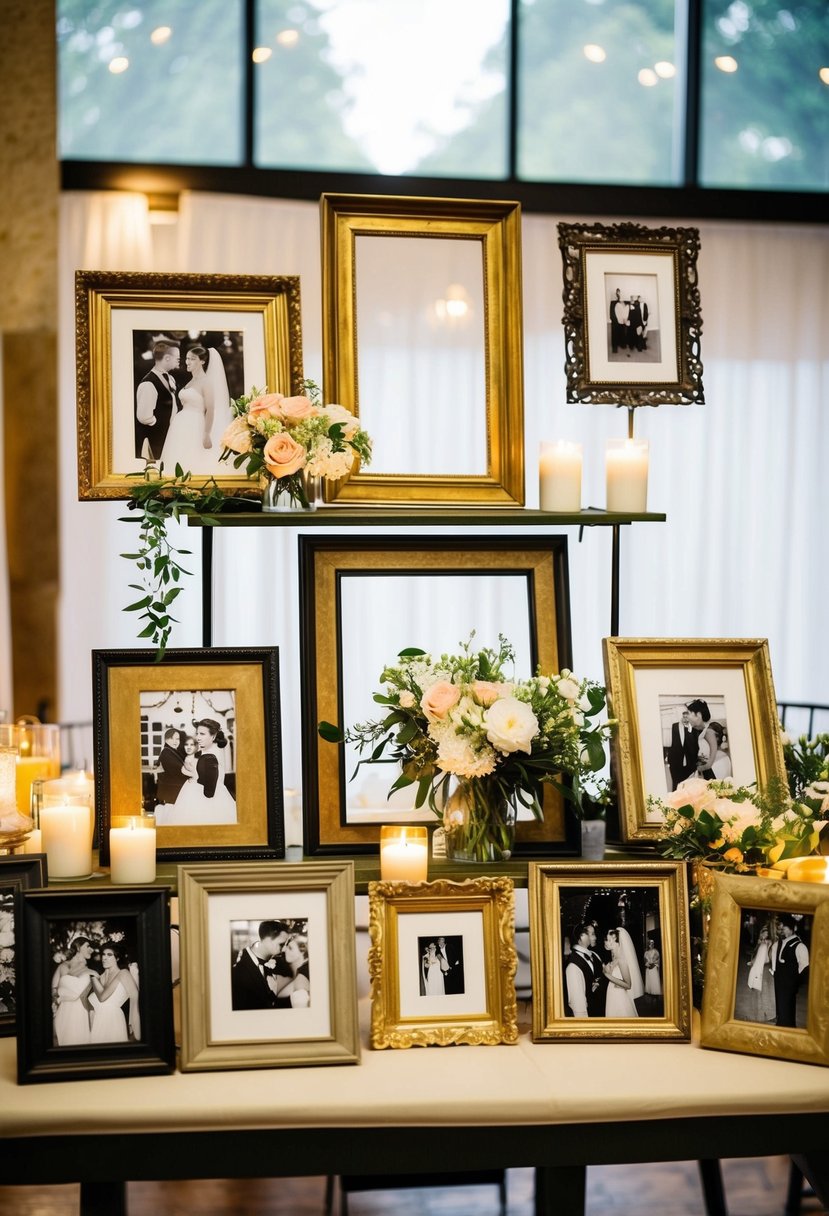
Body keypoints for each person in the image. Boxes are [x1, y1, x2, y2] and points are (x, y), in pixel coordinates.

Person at [158, 346, 232, 475]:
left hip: (194, 424)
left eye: (192, 359)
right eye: (187, 358)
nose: (187, 362)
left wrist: (207, 434)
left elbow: (210, 409)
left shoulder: (206, 382)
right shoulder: (191, 381)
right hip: (181, 425)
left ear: (202, 362)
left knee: (192, 458)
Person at [136, 340, 181, 460]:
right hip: (156, 438)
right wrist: (158, 424)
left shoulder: (170, 378)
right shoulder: (148, 383)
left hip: (168, 435)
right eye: (177, 358)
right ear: (167, 358)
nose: (179, 361)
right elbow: (144, 417)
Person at [230, 920, 290, 1011]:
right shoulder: (237, 972)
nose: (285, 949)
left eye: (286, 944)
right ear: (267, 939)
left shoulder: (281, 964)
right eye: (281, 944)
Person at [89, 942, 140, 1043]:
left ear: (117, 958)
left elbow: (135, 1002)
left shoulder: (124, 974)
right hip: (97, 1020)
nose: (104, 958)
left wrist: (134, 1026)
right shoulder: (102, 976)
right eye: (103, 954)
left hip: (113, 1019)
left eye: (109, 955)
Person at [51, 936, 96, 1046]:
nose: (92, 950)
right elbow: (53, 990)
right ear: (78, 947)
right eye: (88, 946)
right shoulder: (62, 966)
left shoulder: (91, 971)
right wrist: (57, 998)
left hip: (83, 1012)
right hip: (64, 1011)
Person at [193, 719, 237, 824]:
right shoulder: (212, 750)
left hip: (210, 799)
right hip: (216, 794)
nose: (198, 737)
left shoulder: (210, 757)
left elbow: (209, 792)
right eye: (197, 733)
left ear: (213, 736)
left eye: (202, 734)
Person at [771, 915, 809, 1028]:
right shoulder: (780, 943)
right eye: (781, 927)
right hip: (779, 982)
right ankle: (781, 1024)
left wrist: (794, 983)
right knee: (781, 1008)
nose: (782, 929)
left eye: (785, 927)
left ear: (793, 929)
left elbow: (805, 968)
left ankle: (788, 1029)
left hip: (789, 985)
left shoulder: (800, 946)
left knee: (787, 1011)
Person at [565, 922, 603, 1017]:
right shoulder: (573, 965)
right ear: (582, 936)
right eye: (592, 934)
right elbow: (577, 1003)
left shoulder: (595, 955)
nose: (594, 937)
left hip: (599, 1010)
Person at [603, 928, 641, 1018]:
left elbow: (628, 985)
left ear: (616, 942)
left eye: (608, 940)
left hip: (619, 997)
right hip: (612, 993)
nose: (606, 942)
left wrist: (608, 975)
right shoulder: (614, 958)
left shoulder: (622, 959)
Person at [747, 923, 776, 1023]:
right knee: (761, 994)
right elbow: (757, 957)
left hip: (762, 970)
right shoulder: (761, 944)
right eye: (764, 934)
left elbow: (765, 959)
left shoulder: (766, 944)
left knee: (763, 993)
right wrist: (752, 962)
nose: (765, 936)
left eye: (766, 934)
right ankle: (766, 1015)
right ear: (761, 934)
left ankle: (767, 1016)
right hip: (760, 969)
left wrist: (767, 944)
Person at [273, 933, 310, 1008]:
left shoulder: (301, 979)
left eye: (290, 948)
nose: (283, 950)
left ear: (303, 952)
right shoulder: (289, 971)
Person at [666, 708, 699, 790]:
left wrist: (689, 730)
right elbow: (671, 742)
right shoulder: (674, 726)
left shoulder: (694, 730)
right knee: (676, 783)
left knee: (687, 785)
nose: (685, 718)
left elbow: (695, 747)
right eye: (684, 716)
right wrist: (668, 757)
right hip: (675, 760)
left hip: (689, 761)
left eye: (687, 716)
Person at [686, 700, 719, 780]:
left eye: (689, 713)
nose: (687, 716)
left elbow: (710, 762)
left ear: (698, 715)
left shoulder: (708, 732)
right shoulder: (693, 730)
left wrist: (698, 770)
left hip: (706, 773)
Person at [154, 728, 186, 806]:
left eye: (177, 739)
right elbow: (179, 770)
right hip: (171, 792)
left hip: (173, 791)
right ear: (166, 740)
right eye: (172, 738)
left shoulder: (172, 751)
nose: (175, 741)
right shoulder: (166, 752)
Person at [610, 289, 630, 354]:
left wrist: (626, 319)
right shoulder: (613, 302)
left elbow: (627, 308)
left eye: (620, 293)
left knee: (623, 330)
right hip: (616, 319)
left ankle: (622, 343)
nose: (619, 294)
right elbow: (612, 313)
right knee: (615, 331)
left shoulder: (625, 302)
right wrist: (614, 319)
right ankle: (614, 347)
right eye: (617, 293)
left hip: (623, 319)